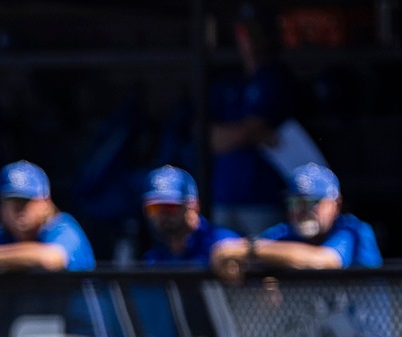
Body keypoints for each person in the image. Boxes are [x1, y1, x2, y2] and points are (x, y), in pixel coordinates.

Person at [207, 5, 296, 237]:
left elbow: (252, 128)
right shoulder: (229, 83)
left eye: (256, 32)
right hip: (226, 197)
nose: (251, 40)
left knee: (266, 268)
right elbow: (209, 138)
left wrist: (244, 132)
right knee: (223, 267)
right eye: (245, 33)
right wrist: (250, 134)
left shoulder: (277, 78)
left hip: (264, 198)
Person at [211, 163, 381, 274]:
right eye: (295, 203)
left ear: (336, 204)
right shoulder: (287, 232)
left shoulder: (353, 230)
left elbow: (324, 260)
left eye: (312, 202)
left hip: (362, 328)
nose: (302, 211)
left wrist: (251, 251)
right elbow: (226, 251)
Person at [139, 165, 240, 265]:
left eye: (170, 206)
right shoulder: (154, 259)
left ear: (193, 206)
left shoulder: (223, 242)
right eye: (154, 208)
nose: (163, 215)